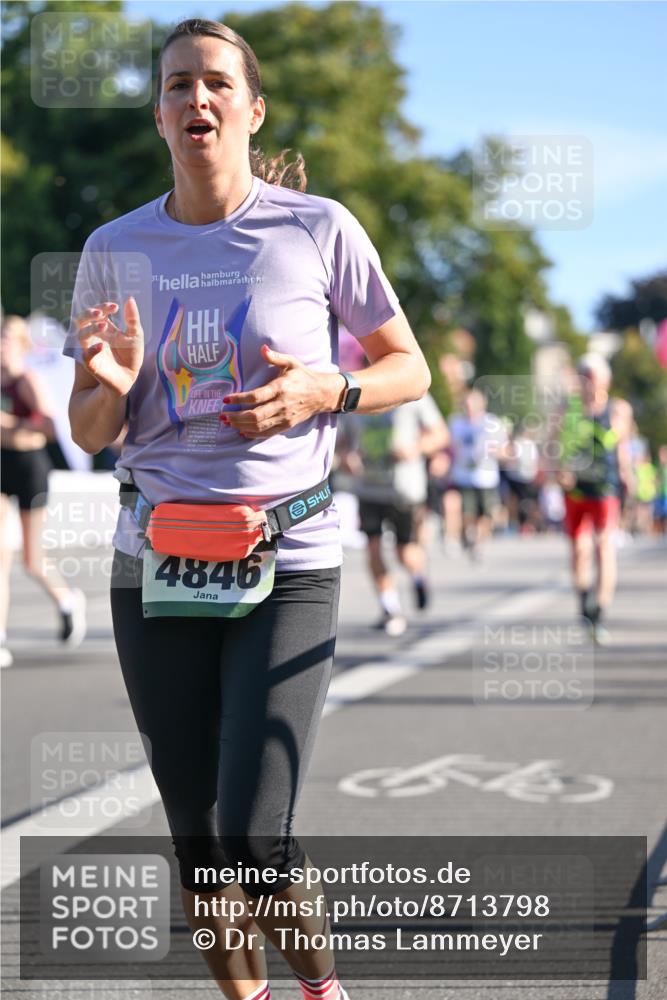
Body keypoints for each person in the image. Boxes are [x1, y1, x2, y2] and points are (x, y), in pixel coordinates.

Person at [65, 19, 431, 1000]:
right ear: (158, 114)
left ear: (250, 107)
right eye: (178, 84)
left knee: (250, 832)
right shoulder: (112, 248)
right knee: (199, 844)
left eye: (217, 83)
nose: (197, 99)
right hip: (155, 563)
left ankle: (321, 990)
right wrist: (110, 381)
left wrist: (326, 390)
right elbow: (92, 428)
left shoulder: (317, 228)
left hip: (289, 556)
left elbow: (410, 366)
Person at [1, 315, 86, 668]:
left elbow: (48, 427)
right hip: (1, 466)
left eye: (7, 339)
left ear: (21, 346)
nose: (1, 345)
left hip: (30, 469)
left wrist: (11, 424)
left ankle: (67, 600)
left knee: (32, 559)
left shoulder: (26, 381)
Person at [336, 395, 448, 635]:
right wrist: (346, 456)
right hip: (368, 487)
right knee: (373, 546)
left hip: (404, 489)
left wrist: (416, 448)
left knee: (404, 553)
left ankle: (419, 577)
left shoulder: (412, 390)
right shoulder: (358, 388)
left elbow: (440, 434)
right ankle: (390, 608)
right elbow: (342, 440)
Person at [557, 353, 631, 643]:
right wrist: (557, 469)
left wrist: (627, 475)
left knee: (603, 546)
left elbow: (621, 443)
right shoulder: (567, 408)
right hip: (575, 487)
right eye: (584, 376)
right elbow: (553, 441)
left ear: (605, 380)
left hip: (604, 487)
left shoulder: (617, 409)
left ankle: (600, 611)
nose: (589, 382)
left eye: (594, 377)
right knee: (578, 549)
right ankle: (583, 600)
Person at [448, 388, 508, 559]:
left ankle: (479, 543)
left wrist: (496, 451)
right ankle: (468, 534)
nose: (469, 407)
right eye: (466, 403)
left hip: (486, 477)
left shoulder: (492, 423)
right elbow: (448, 447)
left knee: (486, 514)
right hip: (463, 476)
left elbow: (504, 449)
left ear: (482, 404)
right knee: (466, 511)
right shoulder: (456, 423)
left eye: (473, 403)